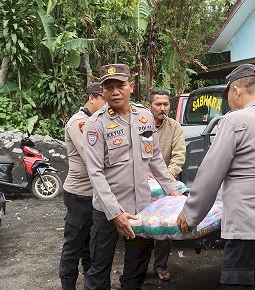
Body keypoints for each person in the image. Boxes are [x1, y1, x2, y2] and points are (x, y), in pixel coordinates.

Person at [176, 64, 255, 289]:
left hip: (245, 233)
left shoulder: (234, 121)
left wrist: (190, 214)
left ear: (237, 90)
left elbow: (210, 174)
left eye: (227, 94)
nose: (228, 101)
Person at [83, 64, 181, 290]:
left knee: (136, 269)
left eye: (120, 86)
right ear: (103, 91)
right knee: (99, 269)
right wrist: (116, 213)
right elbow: (95, 173)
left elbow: (155, 158)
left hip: (141, 209)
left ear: (131, 87)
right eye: (109, 88)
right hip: (108, 212)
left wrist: (173, 191)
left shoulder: (145, 117)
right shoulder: (95, 124)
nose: (115, 92)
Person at [59, 82, 106, 290]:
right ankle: (68, 284)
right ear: (92, 98)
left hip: (94, 194)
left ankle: (91, 283)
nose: (107, 105)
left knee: (91, 244)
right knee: (74, 244)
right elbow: (92, 157)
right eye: (104, 99)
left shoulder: (97, 121)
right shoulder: (79, 122)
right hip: (79, 194)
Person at [147, 89, 186, 281]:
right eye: (158, 104)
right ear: (150, 106)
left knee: (163, 226)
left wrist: (167, 177)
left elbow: (179, 155)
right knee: (142, 226)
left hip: (165, 184)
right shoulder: (140, 125)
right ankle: (137, 269)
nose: (163, 108)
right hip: (142, 184)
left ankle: (160, 266)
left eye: (166, 104)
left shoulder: (174, 127)